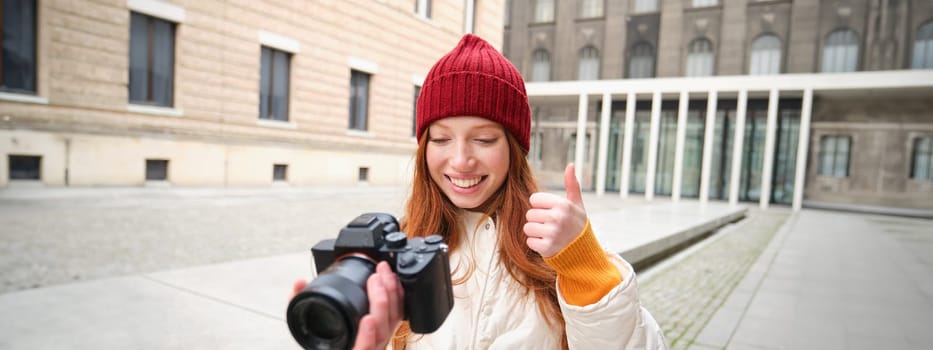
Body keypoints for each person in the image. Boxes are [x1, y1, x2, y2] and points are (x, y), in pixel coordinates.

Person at [293, 34, 666, 349]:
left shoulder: (558, 248)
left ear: (515, 148)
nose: (460, 160)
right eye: (440, 139)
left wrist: (584, 265)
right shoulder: (402, 249)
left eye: (484, 139)